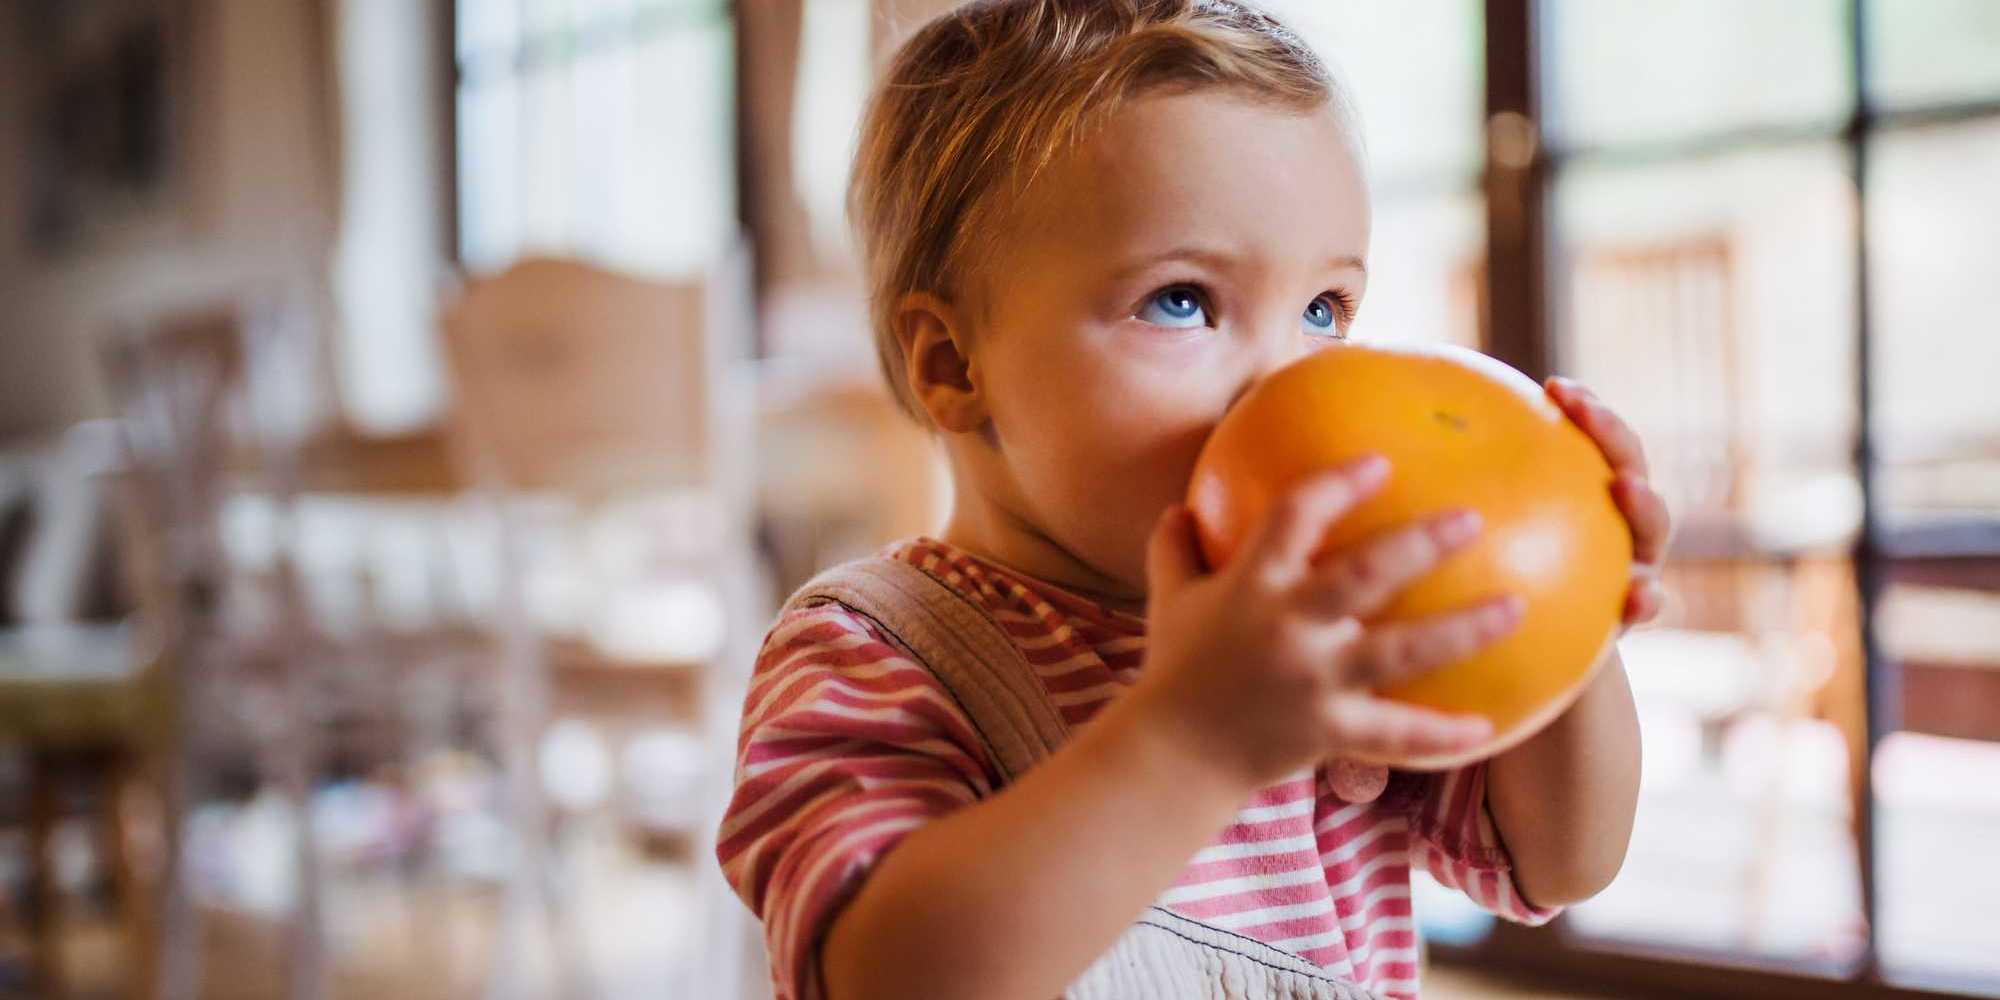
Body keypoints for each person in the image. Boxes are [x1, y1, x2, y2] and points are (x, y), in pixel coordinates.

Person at [717, 2, 1671, 997]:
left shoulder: (1329, 629)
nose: (1287, 383)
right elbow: (882, 976)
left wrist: (1565, 604)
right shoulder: (871, 656)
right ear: (954, 363)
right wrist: (1194, 739)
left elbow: (1558, 857)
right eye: (1182, 300)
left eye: (1321, 311)